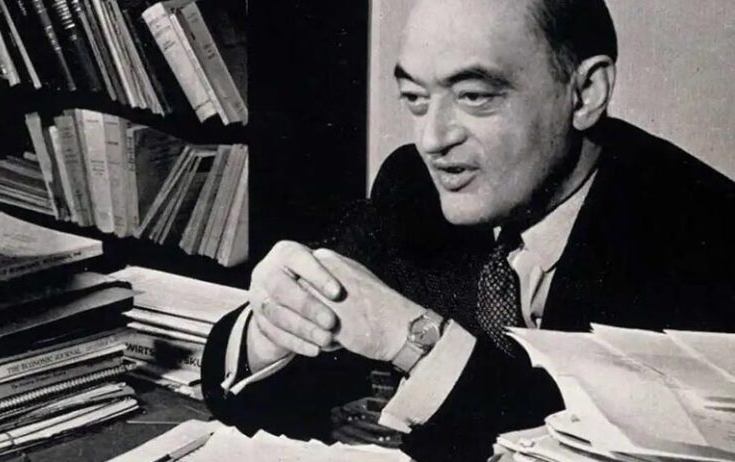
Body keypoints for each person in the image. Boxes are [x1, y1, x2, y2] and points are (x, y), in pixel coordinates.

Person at [201, 0, 735, 460]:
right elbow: (259, 384)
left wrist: (412, 338)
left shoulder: (706, 236)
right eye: (416, 98)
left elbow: (578, 439)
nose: (432, 139)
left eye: (475, 95)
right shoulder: (415, 184)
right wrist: (271, 329)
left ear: (585, 91)